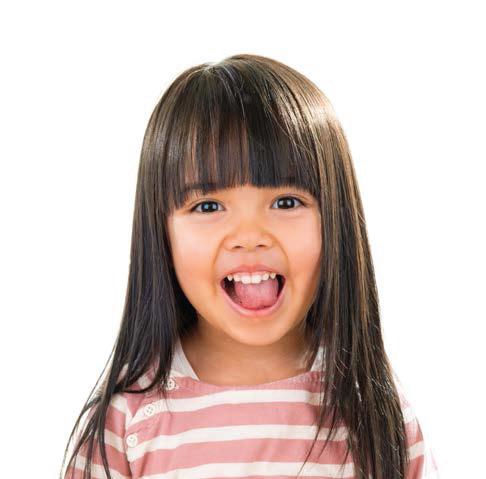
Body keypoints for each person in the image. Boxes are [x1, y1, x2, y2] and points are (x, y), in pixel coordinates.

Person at [60, 53, 439, 479]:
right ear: (160, 232)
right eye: (208, 206)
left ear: (337, 220)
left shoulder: (376, 414)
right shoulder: (124, 421)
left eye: (286, 202)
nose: (250, 235)